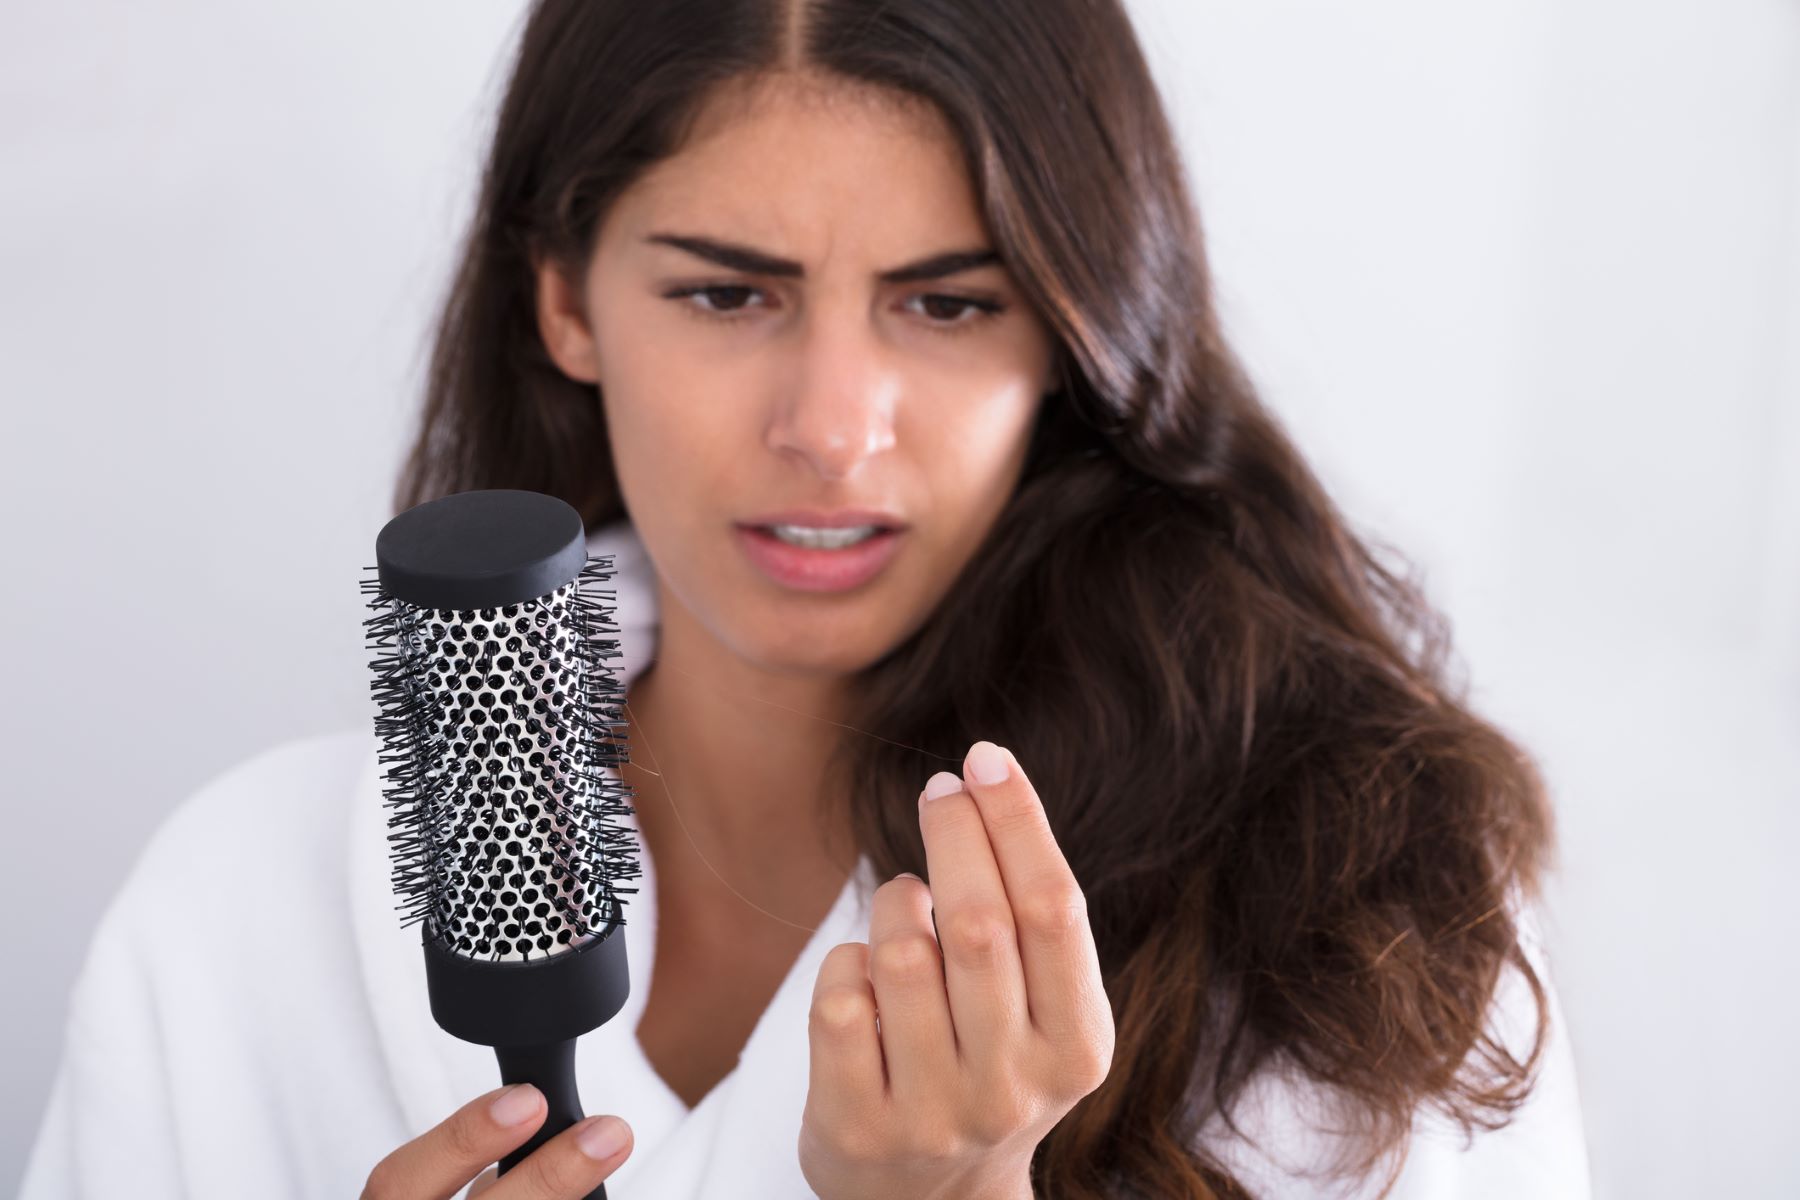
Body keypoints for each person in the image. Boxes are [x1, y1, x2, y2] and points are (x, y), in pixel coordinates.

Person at [19, 0, 1594, 1196]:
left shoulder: (1347, 913)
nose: (833, 427)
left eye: (946, 303)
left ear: (1074, 330)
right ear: (564, 296)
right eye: (727, 292)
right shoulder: (235, 917)